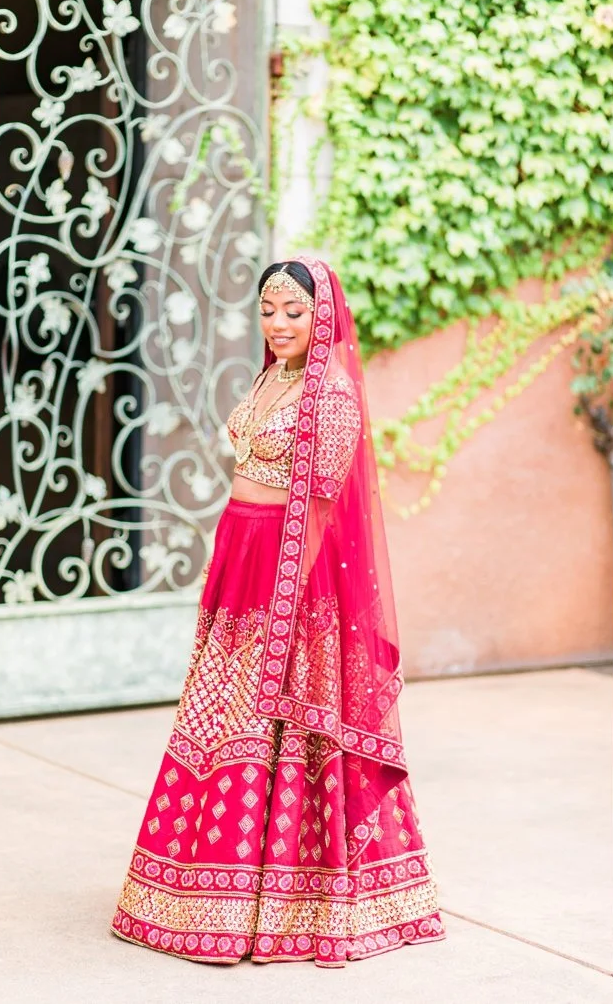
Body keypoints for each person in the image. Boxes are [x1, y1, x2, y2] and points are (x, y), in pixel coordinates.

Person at [111, 257, 444, 966]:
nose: (280, 323)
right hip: (240, 565)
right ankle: (201, 891)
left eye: (294, 311)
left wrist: (284, 599)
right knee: (216, 718)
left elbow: (322, 507)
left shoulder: (330, 394)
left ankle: (286, 902)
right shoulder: (274, 378)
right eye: (269, 310)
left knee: (269, 725)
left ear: (323, 314)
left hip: (290, 583)